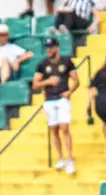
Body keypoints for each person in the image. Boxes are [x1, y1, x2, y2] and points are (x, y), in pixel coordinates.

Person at [33, 37, 78, 175]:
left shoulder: (67, 62)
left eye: (51, 48)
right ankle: (60, 157)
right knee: (54, 129)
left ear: (57, 48)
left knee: (64, 128)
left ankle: (70, 158)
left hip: (62, 98)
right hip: (49, 99)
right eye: (47, 48)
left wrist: (69, 91)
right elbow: (35, 84)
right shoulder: (42, 65)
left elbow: (76, 80)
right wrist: (48, 81)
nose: (49, 50)